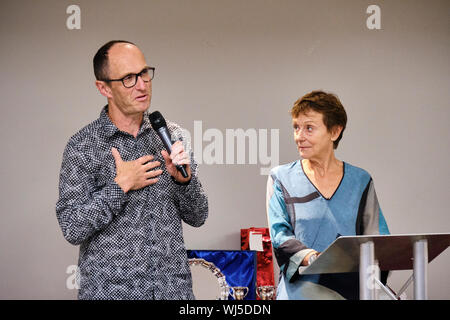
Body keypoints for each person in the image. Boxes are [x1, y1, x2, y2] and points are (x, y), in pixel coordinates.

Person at [56, 40, 208, 300]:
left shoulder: (173, 136)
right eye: (128, 78)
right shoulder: (83, 145)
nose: (141, 85)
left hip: (172, 291)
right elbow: (72, 227)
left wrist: (184, 181)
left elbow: (198, 215)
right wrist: (119, 187)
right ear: (104, 87)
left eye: (144, 73)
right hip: (110, 293)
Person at [266, 90, 389, 300]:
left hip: (350, 290)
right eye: (296, 127)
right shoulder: (280, 178)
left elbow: (377, 241)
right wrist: (315, 258)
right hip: (299, 291)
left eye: (309, 128)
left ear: (334, 131)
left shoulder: (361, 180)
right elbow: (280, 238)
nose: (299, 136)